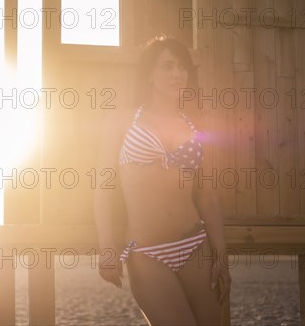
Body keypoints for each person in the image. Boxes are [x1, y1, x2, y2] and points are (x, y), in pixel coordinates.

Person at [94, 35, 231, 325]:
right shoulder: (121, 120)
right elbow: (104, 188)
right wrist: (106, 246)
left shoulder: (197, 125)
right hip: (147, 252)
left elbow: (207, 197)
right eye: (167, 66)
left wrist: (221, 256)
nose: (177, 74)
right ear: (149, 75)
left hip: (195, 244)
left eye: (182, 68)